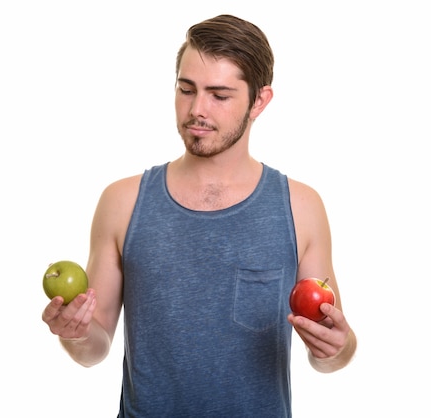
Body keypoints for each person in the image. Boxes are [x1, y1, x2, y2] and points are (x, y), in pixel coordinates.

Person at [41, 13, 357, 417]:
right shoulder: (122, 202)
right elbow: (94, 347)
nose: (196, 110)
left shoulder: (301, 207)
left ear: (259, 101)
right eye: (186, 89)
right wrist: (75, 333)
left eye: (219, 95)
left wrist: (337, 347)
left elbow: (330, 351)